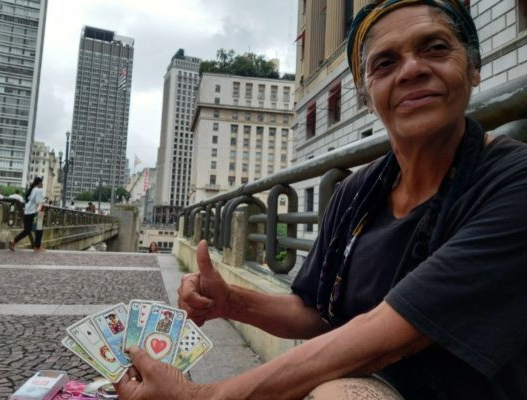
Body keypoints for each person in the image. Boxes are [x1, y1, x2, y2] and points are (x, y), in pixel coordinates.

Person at [114, 2, 527, 399]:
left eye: (435, 48)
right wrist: (231, 302)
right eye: (385, 63)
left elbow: (389, 336)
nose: (412, 70)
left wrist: (205, 396)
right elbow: (316, 312)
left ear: (473, 69)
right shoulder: (356, 192)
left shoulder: (513, 181)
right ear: (366, 96)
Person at [9, 177, 46, 252]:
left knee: (27, 231)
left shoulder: (31, 190)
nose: (42, 184)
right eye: (42, 183)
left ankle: (13, 241)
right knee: (39, 229)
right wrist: (44, 202)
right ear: (39, 182)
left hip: (27, 212)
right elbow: (39, 202)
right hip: (34, 212)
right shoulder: (38, 190)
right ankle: (37, 247)